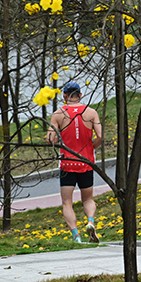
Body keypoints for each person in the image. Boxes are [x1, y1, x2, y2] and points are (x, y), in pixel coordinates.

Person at [47, 81, 103, 244]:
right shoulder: (91, 112)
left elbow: (51, 139)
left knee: (67, 202)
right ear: (80, 95)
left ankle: (76, 236)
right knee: (88, 199)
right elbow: (100, 136)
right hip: (86, 162)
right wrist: (91, 147)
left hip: (67, 164)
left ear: (64, 96)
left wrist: (57, 138)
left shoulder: (58, 114)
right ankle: (90, 222)